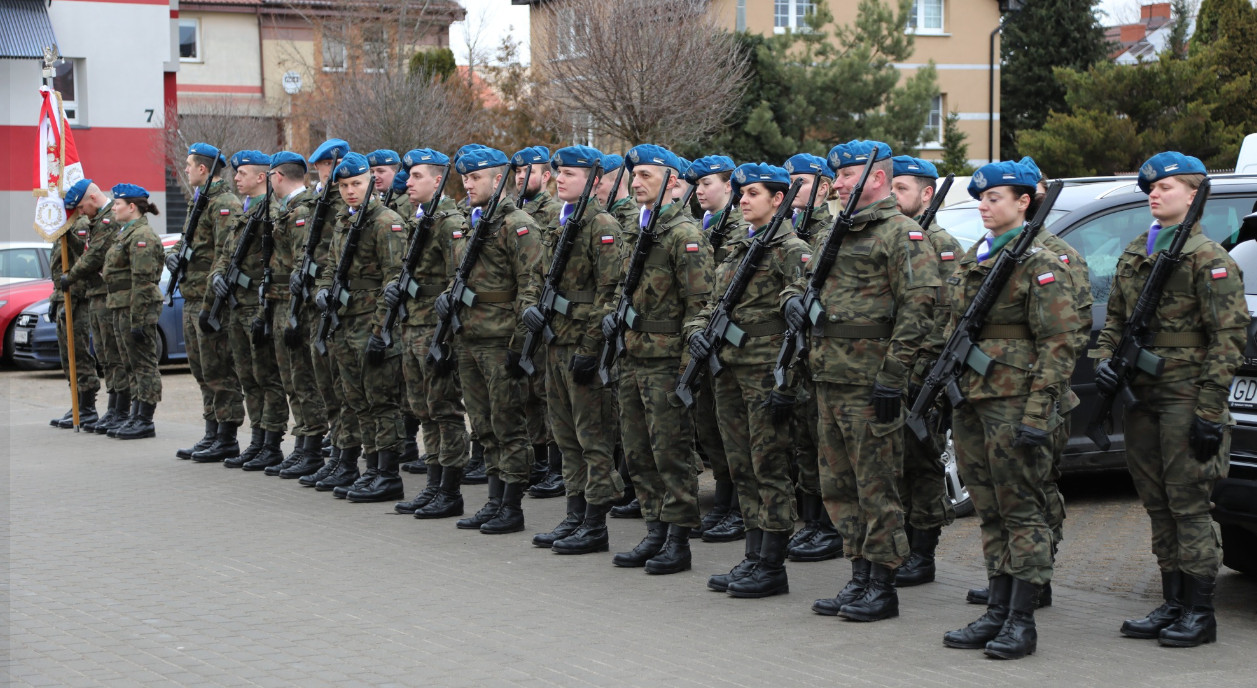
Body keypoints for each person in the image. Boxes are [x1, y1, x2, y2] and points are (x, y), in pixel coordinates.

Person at [782, 140, 939, 622]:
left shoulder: (900, 233)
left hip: (871, 384)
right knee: (839, 486)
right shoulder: (835, 231)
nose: (838, 184)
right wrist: (791, 299)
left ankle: (884, 584)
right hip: (828, 378)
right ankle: (859, 576)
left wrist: (894, 377)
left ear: (874, 178)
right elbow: (804, 277)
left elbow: (919, 309)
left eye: (846, 175)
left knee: (876, 487)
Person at [1097, 153, 1246, 648]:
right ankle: (1173, 600)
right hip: (1142, 394)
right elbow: (1116, 319)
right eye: (1151, 189)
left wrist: (1208, 410)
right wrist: (1104, 359)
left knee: (1188, 505)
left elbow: (1228, 338)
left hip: (1186, 395)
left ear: (1193, 193)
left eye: (1166, 187)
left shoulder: (1210, 260)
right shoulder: (1138, 251)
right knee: (1157, 502)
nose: (1154, 195)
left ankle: (1200, 612)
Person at [939, 159, 1081, 659]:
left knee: (1022, 511)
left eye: (995, 197)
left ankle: (1022, 620)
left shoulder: (1041, 263)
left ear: (1024, 202)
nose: (984, 205)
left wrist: (1039, 415)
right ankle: (996, 610)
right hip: (974, 403)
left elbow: (1059, 344)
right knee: (991, 511)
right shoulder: (977, 257)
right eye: (981, 197)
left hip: (1015, 403)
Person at [687, 162, 811, 597]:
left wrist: (787, 385)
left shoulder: (791, 250)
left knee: (769, 467)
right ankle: (754, 555)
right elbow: (713, 303)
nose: (742, 199)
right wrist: (696, 332)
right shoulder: (741, 246)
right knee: (741, 468)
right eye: (741, 192)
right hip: (729, 372)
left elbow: (801, 328)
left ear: (778, 200)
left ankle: (773, 564)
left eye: (752, 193)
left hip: (764, 374)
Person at [608, 144, 714, 575]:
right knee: (638, 452)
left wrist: (689, 367)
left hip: (667, 361)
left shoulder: (684, 235)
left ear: (673, 182)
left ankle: (677, 538)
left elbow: (700, 303)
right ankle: (654, 530)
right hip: (633, 356)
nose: (636, 182)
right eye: (634, 175)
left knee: (670, 452)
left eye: (647, 175)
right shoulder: (637, 228)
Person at [521, 145, 626, 554]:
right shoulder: (559, 223)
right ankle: (575, 514)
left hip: (581, 348)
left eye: (569, 173)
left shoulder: (602, 225)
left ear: (594, 181)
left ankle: (596, 524)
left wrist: (590, 347)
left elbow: (610, 293)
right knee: (565, 437)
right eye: (558, 172)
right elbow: (537, 275)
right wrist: (531, 305)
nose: (560, 178)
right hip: (554, 344)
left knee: (592, 438)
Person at [439, 146, 543, 533]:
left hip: (500, 340)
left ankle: (512, 506)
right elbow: (462, 273)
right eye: (464, 178)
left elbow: (531, 286)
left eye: (475, 178)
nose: (467, 184)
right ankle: (494, 500)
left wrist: (520, 345)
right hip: (468, 337)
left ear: (498, 180)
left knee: (508, 424)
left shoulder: (518, 224)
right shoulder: (471, 220)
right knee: (483, 425)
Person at [312, 152, 408, 503]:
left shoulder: (386, 222)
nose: (351, 191)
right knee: (357, 400)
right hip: (344, 323)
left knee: (381, 401)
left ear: (371, 183)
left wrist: (382, 330)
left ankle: (387, 473)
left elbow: (393, 279)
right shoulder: (345, 221)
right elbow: (330, 267)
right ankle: (371, 468)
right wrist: (323, 290)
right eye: (344, 185)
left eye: (357, 184)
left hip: (372, 324)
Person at [385, 148, 471, 519]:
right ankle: (434, 483)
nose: (408, 182)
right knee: (424, 411)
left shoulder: (450, 222)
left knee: (444, 411)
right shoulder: (420, 219)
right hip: (413, 327)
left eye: (417, 176)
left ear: (438, 180)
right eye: (408, 176)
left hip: (436, 331)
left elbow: (459, 277)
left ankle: (449, 490)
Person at [888, 155, 960, 587]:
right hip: (895, 368)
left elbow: (947, 315)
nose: (894, 197)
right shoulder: (896, 238)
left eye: (902, 189)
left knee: (922, 460)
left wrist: (923, 371)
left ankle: (924, 551)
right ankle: (904, 544)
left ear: (926, 194)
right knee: (898, 461)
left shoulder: (940, 242)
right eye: (891, 188)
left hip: (924, 372)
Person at [779, 153, 843, 564]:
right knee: (806, 442)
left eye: (799, 181)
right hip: (804, 357)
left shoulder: (829, 230)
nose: (792, 189)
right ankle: (814, 521)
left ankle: (830, 527)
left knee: (825, 446)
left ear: (823, 187)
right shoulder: (797, 229)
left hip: (832, 354)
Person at [210, 150, 290, 471]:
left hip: (258, 305)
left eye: (242, 173)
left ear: (262, 177)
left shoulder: (271, 212)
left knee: (266, 376)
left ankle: (271, 442)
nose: (236, 179)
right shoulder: (243, 213)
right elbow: (225, 253)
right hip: (236, 305)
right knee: (247, 377)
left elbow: (274, 261)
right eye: (236, 173)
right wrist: (217, 275)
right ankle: (256, 439)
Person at [168, 144, 245, 461]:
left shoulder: (225, 203)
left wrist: (211, 301)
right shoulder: (199, 200)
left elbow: (224, 255)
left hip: (210, 300)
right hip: (191, 295)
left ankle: (226, 436)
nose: (185, 170)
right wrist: (173, 257)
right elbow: (189, 243)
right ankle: (211, 432)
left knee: (219, 370)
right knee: (202, 370)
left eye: (189, 165)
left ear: (203, 169)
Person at [682, 155, 740, 543]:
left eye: (707, 184)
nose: (699, 191)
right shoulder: (704, 227)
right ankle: (722, 501)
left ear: (728, 187)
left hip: (733, 347)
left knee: (731, 430)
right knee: (710, 427)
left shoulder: (739, 230)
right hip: (704, 340)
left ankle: (734, 507)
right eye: (697, 185)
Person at [262, 151, 330, 479]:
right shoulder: (290, 209)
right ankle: (303, 443)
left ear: (277, 175)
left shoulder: (302, 209)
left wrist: (294, 314)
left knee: (303, 379)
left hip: (297, 307)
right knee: (292, 379)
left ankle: (312, 447)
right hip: (282, 302)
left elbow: (302, 265)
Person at [295, 138, 356, 490]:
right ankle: (336, 456)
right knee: (327, 386)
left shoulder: (345, 208)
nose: (331, 175)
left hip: (344, 308)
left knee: (344, 389)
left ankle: (346, 458)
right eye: (327, 169)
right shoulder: (319, 202)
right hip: (318, 300)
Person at [512, 145, 563, 497]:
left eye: (526, 171)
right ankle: (538, 459)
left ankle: (553, 467)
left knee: (547, 394)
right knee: (528, 393)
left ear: (546, 176)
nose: (519, 177)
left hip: (547, 315)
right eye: (516, 172)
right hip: (522, 310)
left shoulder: (556, 212)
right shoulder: (516, 211)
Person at [96, 184, 165, 439]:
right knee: (130, 364)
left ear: (132, 207)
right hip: (121, 305)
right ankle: (135, 415)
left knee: (143, 364)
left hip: (136, 307)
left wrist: (138, 319)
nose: (113, 208)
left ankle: (145, 419)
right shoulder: (126, 234)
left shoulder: (141, 236)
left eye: (117, 204)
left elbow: (143, 282)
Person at [61, 181, 123, 434]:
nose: (81, 212)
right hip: (97, 294)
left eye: (81, 206)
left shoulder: (109, 221)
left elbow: (95, 255)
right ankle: (114, 410)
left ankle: (122, 411)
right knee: (105, 357)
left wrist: (71, 276)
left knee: (114, 356)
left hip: (107, 294)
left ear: (94, 197)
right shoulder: (99, 220)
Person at [51, 179, 103, 428]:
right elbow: (58, 267)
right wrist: (55, 298)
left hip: (78, 299)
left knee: (78, 352)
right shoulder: (65, 227)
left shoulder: (80, 225)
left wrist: (71, 297)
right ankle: (77, 402)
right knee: (66, 355)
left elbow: (86, 259)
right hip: (64, 297)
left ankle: (87, 406)